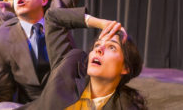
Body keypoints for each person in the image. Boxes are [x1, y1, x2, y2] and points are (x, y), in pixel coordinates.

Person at [0, 0, 84, 104]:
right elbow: (5, 89)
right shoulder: (0, 38)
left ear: (44, 0)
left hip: (72, 101)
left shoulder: (57, 9)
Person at [17, 7, 147, 110]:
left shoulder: (126, 105)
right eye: (97, 44)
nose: (98, 49)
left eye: (111, 47)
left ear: (125, 67)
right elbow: (53, 17)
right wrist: (102, 24)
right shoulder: (71, 66)